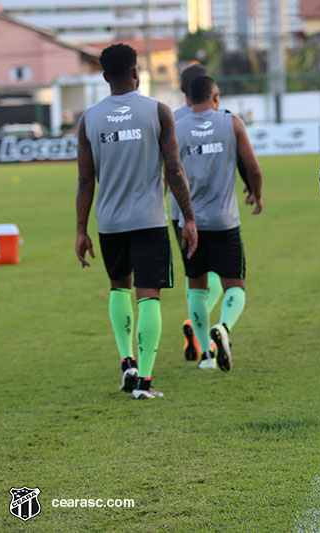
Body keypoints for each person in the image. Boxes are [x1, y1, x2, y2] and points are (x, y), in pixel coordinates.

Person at [75, 43, 198, 399]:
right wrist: (188, 218)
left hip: (109, 223)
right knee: (149, 297)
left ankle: (126, 362)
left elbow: (85, 180)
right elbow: (174, 169)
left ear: (103, 76)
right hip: (149, 220)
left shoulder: (89, 118)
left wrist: (81, 230)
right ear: (136, 72)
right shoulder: (158, 111)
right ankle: (144, 382)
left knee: (119, 287)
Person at [176, 75, 263, 371]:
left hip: (189, 222)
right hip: (224, 221)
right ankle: (223, 328)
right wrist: (256, 194)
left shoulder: (176, 128)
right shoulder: (231, 123)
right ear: (216, 97)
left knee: (197, 287)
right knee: (235, 285)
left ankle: (206, 357)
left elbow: (169, 173)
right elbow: (253, 168)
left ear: (189, 99)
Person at [171, 63, 224, 361]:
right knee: (218, 274)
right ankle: (198, 326)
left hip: (178, 210)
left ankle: (200, 336)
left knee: (195, 276)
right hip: (217, 210)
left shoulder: (172, 119)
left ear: (183, 91)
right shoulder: (220, 119)